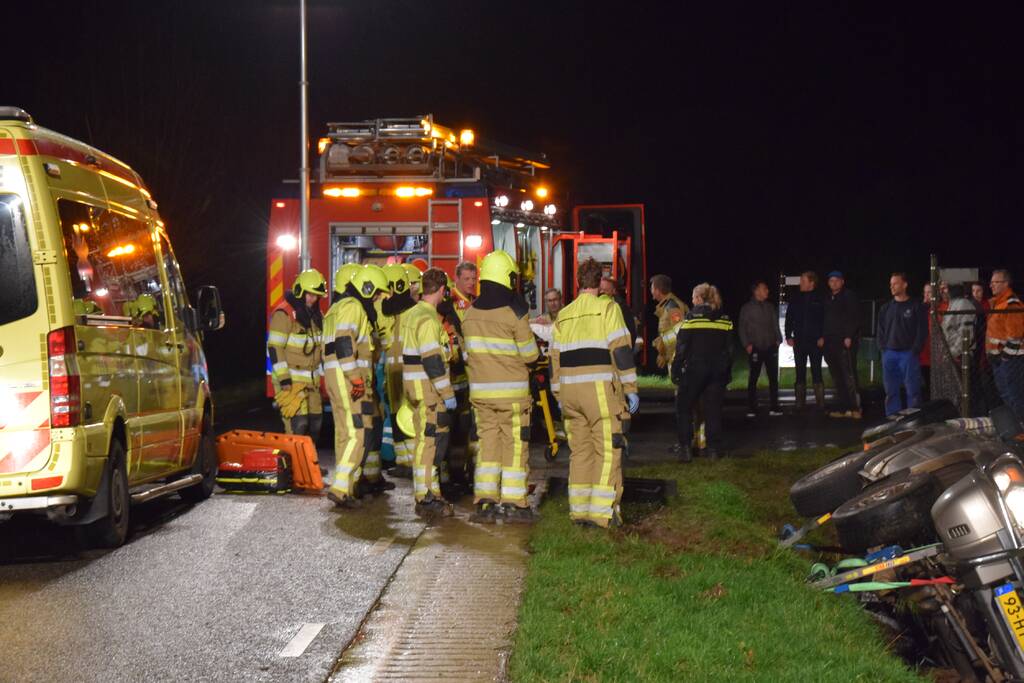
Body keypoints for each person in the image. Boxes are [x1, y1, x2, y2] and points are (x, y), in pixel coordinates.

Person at [551, 258, 638, 528]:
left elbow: (555, 359)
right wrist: (631, 389)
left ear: (577, 282)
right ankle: (602, 514)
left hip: (570, 396)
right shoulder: (608, 309)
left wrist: (558, 394)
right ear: (600, 283)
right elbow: (621, 351)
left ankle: (579, 510)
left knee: (580, 452)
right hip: (599, 393)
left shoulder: (563, 315)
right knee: (608, 451)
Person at [461, 250, 540, 522]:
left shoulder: (469, 315)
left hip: (481, 396)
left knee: (488, 448)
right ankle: (515, 503)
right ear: (507, 277)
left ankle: (485, 501)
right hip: (512, 397)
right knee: (515, 447)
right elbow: (530, 355)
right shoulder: (512, 314)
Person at [323, 265, 391, 507]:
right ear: (367, 287)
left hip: (335, 377)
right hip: (348, 378)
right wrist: (356, 379)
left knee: (343, 433)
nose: (377, 299)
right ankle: (341, 488)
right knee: (357, 433)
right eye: (376, 293)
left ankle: (347, 488)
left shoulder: (336, 308)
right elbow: (344, 343)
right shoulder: (353, 307)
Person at [401, 268, 458, 517]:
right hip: (427, 388)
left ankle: (431, 491)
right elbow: (433, 360)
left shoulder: (414, 314)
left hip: (415, 387)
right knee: (427, 442)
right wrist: (447, 393)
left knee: (426, 441)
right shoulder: (427, 318)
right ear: (443, 291)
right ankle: (424, 496)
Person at [671, 283, 732, 461]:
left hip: (695, 370)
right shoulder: (725, 319)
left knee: (684, 407)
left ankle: (685, 449)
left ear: (698, 299)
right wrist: (726, 372)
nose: (691, 300)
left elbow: (682, 347)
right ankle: (713, 451)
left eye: (693, 297)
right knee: (713, 411)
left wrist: (676, 369)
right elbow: (729, 349)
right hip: (717, 371)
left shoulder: (691, 318)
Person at [268, 269, 326, 438]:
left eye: (316, 296)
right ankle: (294, 464)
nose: (313, 299)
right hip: (291, 382)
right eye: (309, 294)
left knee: (315, 425)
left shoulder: (316, 316)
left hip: (312, 383)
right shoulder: (284, 314)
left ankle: (309, 464)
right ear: (300, 291)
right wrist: (284, 379)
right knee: (298, 426)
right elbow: (275, 347)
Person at [380, 264, 417, 477]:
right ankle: (403, 462)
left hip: (407, 373)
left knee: (409, 418)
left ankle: (413, 463)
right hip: (392, 374)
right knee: (395, 418)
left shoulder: (412, 312)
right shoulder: (388, 312)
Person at [877, 272, 927, 416]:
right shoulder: (885, 308)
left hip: (908, 354)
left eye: (896, 283)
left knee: (912, 390)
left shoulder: (916, 306)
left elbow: (922, 330)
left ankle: (913, 419)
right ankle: (893, 418)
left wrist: (915, 349)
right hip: (889, 354)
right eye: (891, 284)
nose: (892, 287)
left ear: (905, 285)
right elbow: (880, 330)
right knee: (891, 390)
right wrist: (883, 349)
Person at [739, 281, 783, 417]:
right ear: (756, 291)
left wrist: (778, 340)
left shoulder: (770, 307)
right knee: (753, 378)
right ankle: (752, 407)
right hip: (755, 347)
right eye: (764, 289)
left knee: (773, 378)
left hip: (770, 346)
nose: (767, 291)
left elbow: (775, 325)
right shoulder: (747, 308)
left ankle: (774, 407)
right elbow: (742, 328)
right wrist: (747, 344)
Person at [821, 271, 861, 418]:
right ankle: (843, 407)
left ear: (842, 282)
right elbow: (823, 319)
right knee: (837, 376)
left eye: (837, 280)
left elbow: (854, 316)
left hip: (844, 341)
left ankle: (855, 408)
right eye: (831, 281)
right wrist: (822, 337)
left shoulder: (848, 296)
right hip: (829, 342)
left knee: (849, 375)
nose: (834, 283)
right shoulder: (827, 298)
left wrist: (849, 335)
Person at [986, 269, 1024, 424]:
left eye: (995, 282)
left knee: (1014, 396)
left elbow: (1015, 336)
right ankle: (1015, 431)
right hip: (1002, 362)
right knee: (1007, 396)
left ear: (1006, 284)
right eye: (991, 282)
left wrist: (1004, 357)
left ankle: (1020, 433)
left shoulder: (1011, 304)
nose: (991, 285)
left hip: (1011, 361)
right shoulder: (999, 303)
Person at [785, 271, 825, 411]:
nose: (800, 283)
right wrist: (788, 335)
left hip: (815, 342)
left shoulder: (820, 299)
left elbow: (825, 319)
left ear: (811, 283)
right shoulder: (795, 298)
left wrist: (823, 336)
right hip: (799, 342)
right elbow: (789, 318)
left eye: (803, 281)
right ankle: (799, 403)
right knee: (799, 372)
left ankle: (820, 403)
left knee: (816, 371)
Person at [651, 274, 688, 369]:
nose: (651, 292)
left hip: (678, 360)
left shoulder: (672, 306)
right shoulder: (667, 306)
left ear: (658, 290)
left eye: (652, 288)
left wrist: (663, 350)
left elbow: (680, 333)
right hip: (674, 358)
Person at [601, 277, 639, 348]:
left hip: (615, 349)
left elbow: (630, 330)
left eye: (605, 291)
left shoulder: (622, 307)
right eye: (600, 290)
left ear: (614, 291)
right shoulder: (593, 305)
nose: (602, 293)